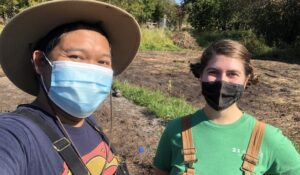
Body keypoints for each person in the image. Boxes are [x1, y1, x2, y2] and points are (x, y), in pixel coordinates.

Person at [0, 0, 140, 175]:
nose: (92, 70)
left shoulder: (90, 122)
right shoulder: (15, 135)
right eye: (76, 56)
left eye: (103, 61)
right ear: (41, 62)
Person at [153, 39, 300, 175]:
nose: (222, 81)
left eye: (232, 74)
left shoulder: (267, 138)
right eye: (213, 72)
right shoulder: (176, 130)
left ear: (245, 80)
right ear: (201, 75)